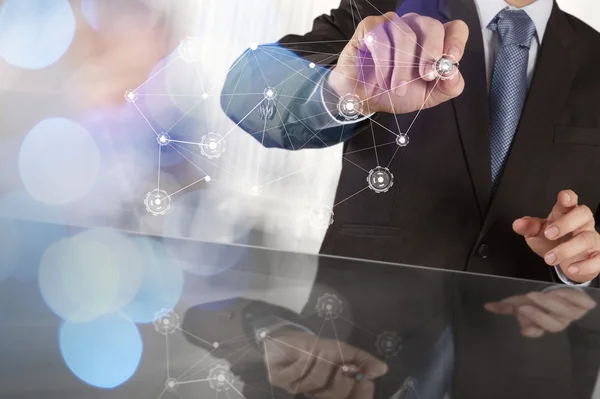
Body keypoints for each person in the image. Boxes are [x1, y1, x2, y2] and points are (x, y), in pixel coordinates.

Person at [221, 0, 600, 288]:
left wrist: (580, 266)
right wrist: (344, 92)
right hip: (364, 335)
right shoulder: (390, 11)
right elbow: (247, 92)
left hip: (528, 359)